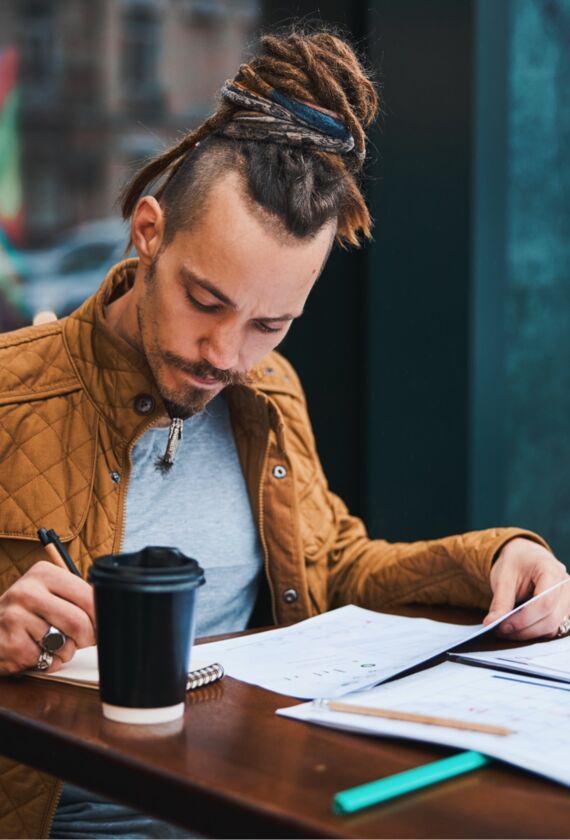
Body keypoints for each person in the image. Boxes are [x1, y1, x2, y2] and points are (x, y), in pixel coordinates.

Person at [0, 27, 568, 840]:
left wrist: (496, 558)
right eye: (204, 301)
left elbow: (334, 565)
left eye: (271, 323)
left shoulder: (267, 393)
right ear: (149, 231)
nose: (225, 355)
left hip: (259, 810)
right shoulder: (10, 393)